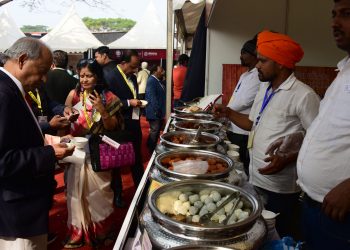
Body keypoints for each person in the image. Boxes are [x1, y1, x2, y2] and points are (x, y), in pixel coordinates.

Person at [214, 31, 320, 238]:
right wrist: (227, 112)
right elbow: (252, 124)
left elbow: (316, 141)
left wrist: (289, 157)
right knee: (257, 234)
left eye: (263, 61)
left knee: (281, 235)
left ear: (280, 63)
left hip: (281, 187)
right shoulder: (265, 89)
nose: (257, 65)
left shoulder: (304, 95)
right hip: (255, 177)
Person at [0, 37, 74, 250]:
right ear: (22, 59)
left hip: (23, 207)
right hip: (16, 214)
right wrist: (49, 154)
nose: (43, 79)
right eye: (41, 71)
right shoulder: (4, 93)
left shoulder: (11, 88)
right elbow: (3, 160)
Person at [64, 59, 124, 248]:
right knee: (74, 193)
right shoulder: (74, 95)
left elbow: (114, 128)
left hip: (99, 152)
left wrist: (102, 110)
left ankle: (102, 232)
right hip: (76, 150)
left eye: (89, 75)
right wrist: (67, 116)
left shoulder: (109, 97)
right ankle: (77, 232)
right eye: (81, 75)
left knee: (100, 194)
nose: (84, 80)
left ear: (97, 76)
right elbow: (65, 117)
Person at [105, 49, 144, 207]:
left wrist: (138, 102)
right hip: (118, 125)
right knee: (117, 162)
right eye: (133, 66)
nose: (135, 70)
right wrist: (129, 103)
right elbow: (106, 102)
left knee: (137, 158)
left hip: (134, 124)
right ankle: (118, 194)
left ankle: (141, 190)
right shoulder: (110, 76)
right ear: (123, 63)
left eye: (137, 66)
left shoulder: (133, 77)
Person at [226, 37, 260, 175]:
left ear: (253, 55)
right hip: (233, 125)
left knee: (241, 165)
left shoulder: (258, 75)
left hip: (243, 131)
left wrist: (226, 110)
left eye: (244, 53)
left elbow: (245, 101)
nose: (241, 56)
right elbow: (236, 97)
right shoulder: (245, 75)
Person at [145, 64, 166, 153]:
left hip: (158, 111)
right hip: (154, 112)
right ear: (155, 71)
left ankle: (150, 144)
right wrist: (156, 110)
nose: (163, 72)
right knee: (155, 131)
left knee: (156, 131)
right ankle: (151, 150)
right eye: (161, 70)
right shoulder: (151, 81)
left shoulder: (157, 80)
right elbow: (152, 97)